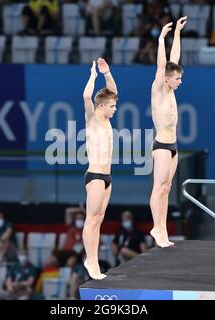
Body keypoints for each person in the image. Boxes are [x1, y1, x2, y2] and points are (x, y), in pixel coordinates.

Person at [149, 17, 187, 248]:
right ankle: (157, 227)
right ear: (167, 79)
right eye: (178, 79)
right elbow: (163, 65)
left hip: (173, 147)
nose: (181, 82)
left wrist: (178, 34)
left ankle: (162, 229)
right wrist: (162, 38)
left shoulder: (171, 90)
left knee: (167, 188)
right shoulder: (159, 89)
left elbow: (175, 60)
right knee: (158, 188)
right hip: (162, 146)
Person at [82, 57, 118, 280]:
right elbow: (87, 96)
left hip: (107, 177)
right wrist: (94, 76)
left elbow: (112, 92)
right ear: (101, 106)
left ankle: (93, 260)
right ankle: (91, 260)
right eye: (112, 106)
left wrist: (107, 74)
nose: (115, 108)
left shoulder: (107, 119)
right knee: (91, 219)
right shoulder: (93, 118)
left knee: (99, 219)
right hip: (95, 175)